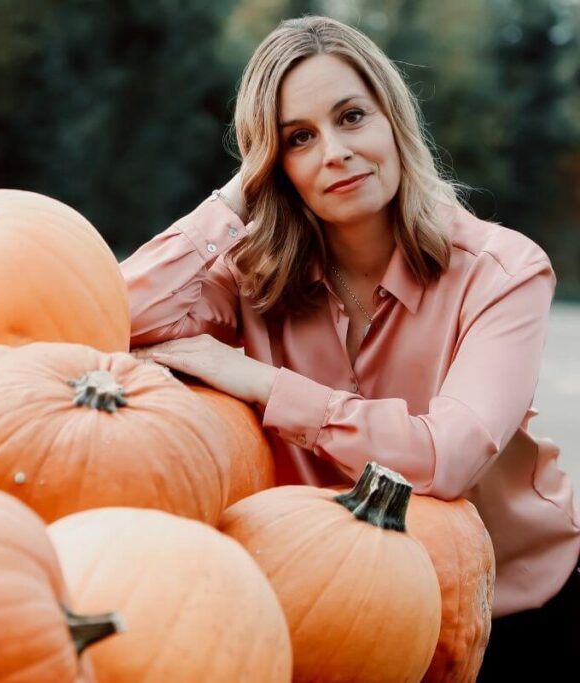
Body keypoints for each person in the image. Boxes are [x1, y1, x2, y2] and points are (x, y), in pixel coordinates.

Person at [122, 14, 580, 676]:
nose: (334, 150)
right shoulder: (250, 277)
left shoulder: (502, 271)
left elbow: (443, 457)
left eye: (352, 117)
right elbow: (106, 312)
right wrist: (235, 198)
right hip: (324, 602)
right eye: (299, 138)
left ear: (393, 122)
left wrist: (258, 380)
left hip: (505, 606)